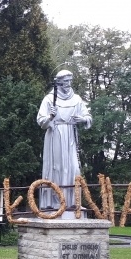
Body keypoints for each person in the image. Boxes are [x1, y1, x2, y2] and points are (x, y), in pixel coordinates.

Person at [36, 70, 92, 211]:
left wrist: (83, 119)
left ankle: (72, 202)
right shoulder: (49, 99)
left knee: (73, 167)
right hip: (55, 135)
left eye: (69, 80)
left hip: (70, 136)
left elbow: (87, 116)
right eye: (65, 81)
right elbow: (41, 121)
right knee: (56, 168)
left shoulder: (77, 99)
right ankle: (53, 203)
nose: (68, 83)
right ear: (59, 82)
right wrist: (50, 116)